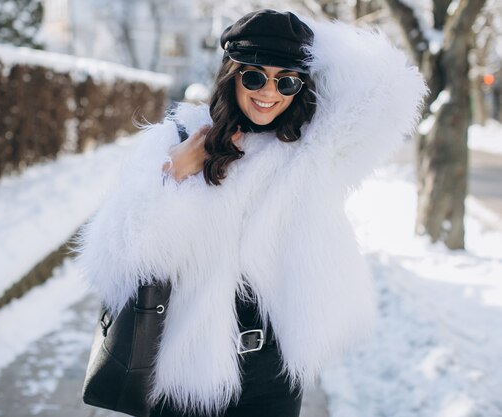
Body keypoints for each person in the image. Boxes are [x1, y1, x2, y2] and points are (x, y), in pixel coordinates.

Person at [75, 9, 427, 417]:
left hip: (272, 374)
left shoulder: (311, 153)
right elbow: (114, 262)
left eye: (288, 80)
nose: (269, 92)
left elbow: (387, 89)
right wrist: (172, 175)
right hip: (184, 373)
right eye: (255, 76)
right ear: (232, 74)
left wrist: (307, 40)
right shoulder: (179, 140)